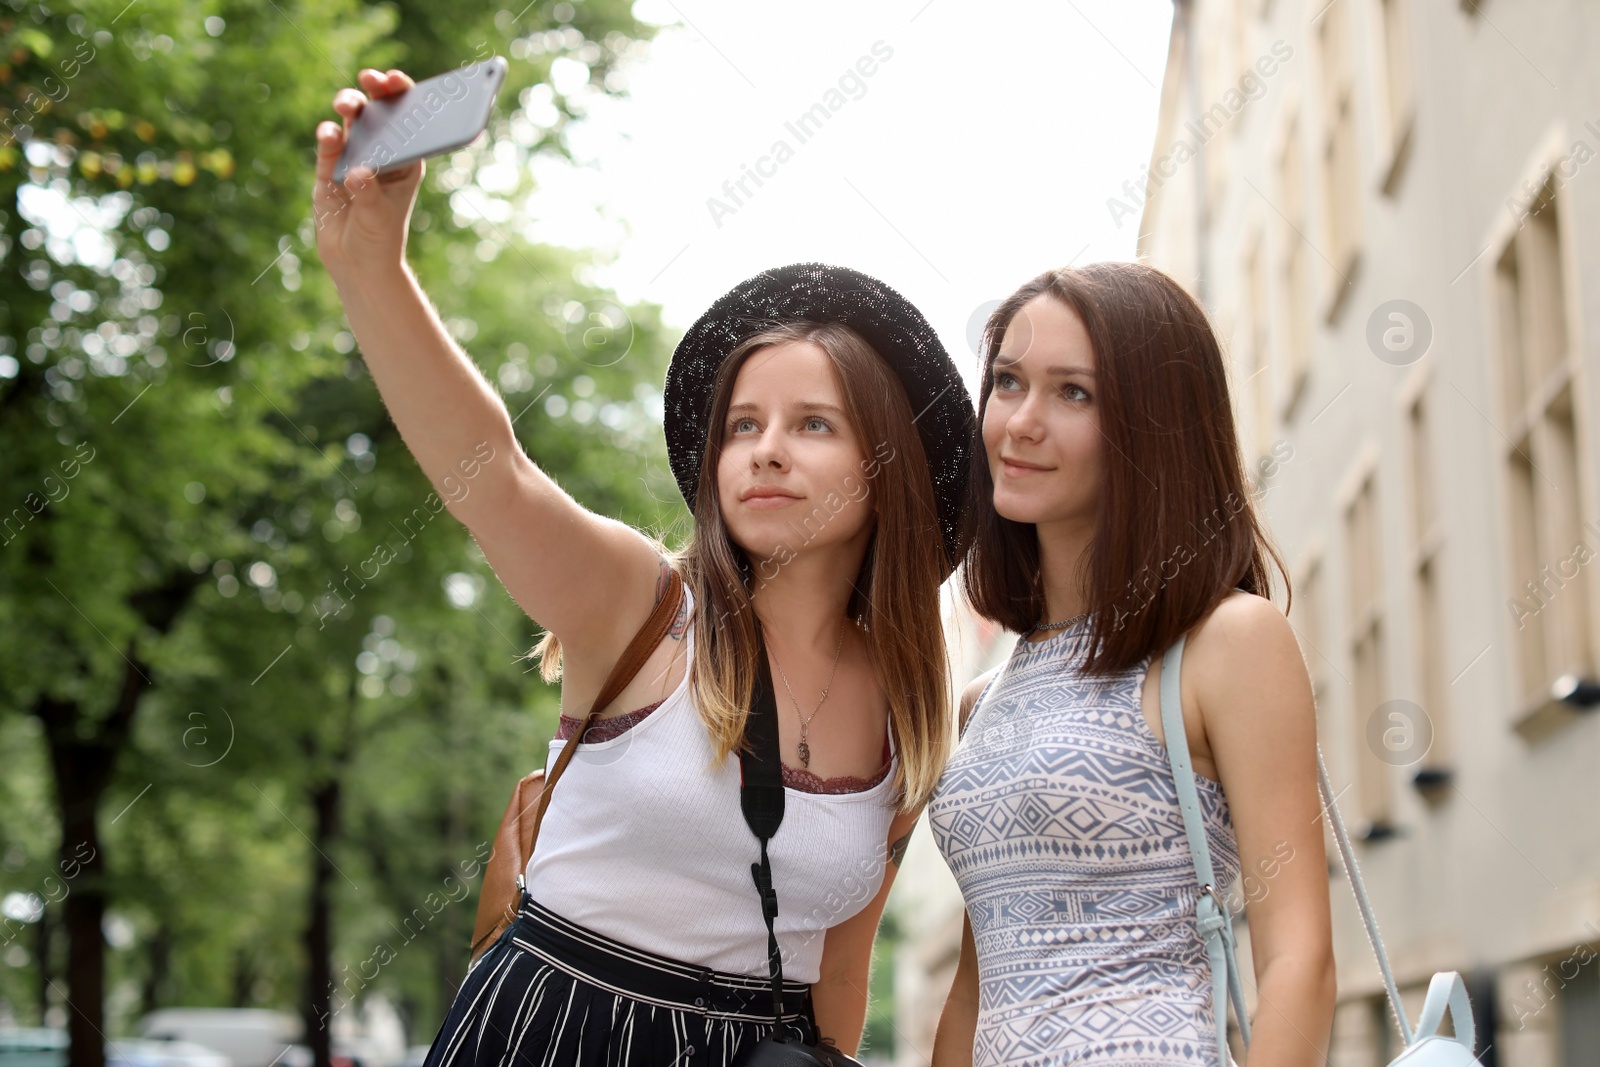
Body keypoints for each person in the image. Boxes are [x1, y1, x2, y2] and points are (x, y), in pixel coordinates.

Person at [312, 68, 978, 1066]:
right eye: (743, 423)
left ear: (886, 468)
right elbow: (489, 469)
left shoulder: (907, 709)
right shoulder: (638, 603)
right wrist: (370, 264)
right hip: (551, 1033)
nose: (763, 448)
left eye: (813, 424)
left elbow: (838, 972)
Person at [928, 263, 1337, 1067]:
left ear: (1151, 425)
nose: (1021, 421)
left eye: (1073, 392)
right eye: (1007, 382)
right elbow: (979, 989)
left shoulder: (1229, 641)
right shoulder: (985, 702)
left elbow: (1301, 962)